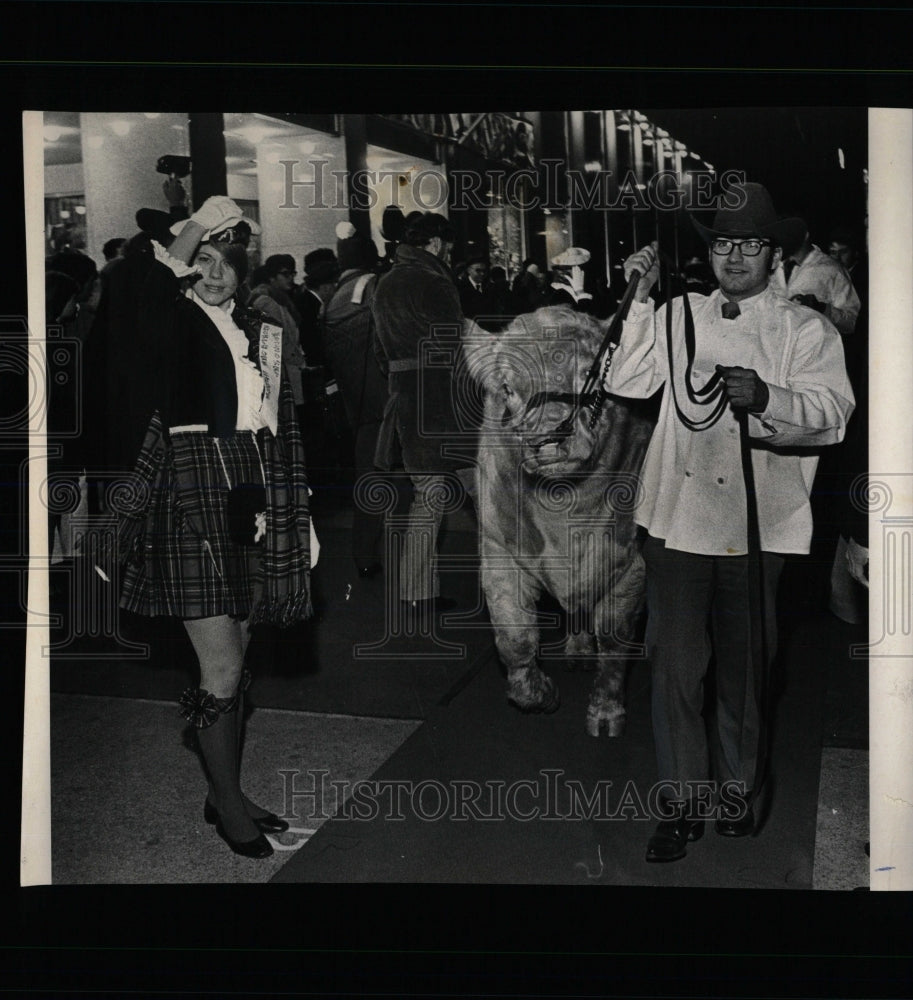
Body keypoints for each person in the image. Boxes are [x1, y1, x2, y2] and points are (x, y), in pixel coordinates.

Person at [610, 182, 855, 862]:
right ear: (709, 250)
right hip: (677, 525)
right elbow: (627, 383)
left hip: (757, 527)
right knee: (674, 671)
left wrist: (768, 396)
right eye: (722, 243)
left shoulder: (804, 328)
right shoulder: (676, 315)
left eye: (749, 243)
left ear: (771, 252)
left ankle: (736, 795)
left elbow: (833, 414)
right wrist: (636, 301)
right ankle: (681, 803)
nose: (735, 255)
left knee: (746, 672)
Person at [112, 195, 314, 860]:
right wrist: (196, 224)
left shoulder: (254, 333)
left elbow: (268, 428)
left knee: (235, 659)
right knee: (221, 668)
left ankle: (223, 786)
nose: (215, 270)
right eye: (201, 260)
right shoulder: (173, 322)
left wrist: (295, 514)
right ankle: (228, 804)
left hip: (249, 496)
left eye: (226, 259)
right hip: (193, 499)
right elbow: (144, 300)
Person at [371, 211, 474, 613]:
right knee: (489, 491)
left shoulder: (386, 283)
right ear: (434, 244)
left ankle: (416, 592)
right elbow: (456, 348)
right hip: (447, 402)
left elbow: (381, 354)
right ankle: (519, 579)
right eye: (446, 246)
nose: (448, 253)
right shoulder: (434, 281)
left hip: (406, 402)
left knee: (427, 496)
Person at [323, 222, 391, 577]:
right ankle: (382, 558)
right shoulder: (372, 288)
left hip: (354, 403)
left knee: (370, 479)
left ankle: (365, 552)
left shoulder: (333, 296)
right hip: (384, 401)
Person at [771, 222, 860, 338]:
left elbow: (851, 323)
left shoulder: (832, 269)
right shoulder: (772, 266)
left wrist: (821, 308)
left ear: (805, 234)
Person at [247, 255, 307, 418]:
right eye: (285, 274)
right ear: (271, 277)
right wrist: (299, 362)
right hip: (283, 373)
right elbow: (276, 342)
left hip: (288, 370)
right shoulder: (266, 302)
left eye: (293, 273)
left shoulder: (279, 299)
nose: (291, 278)